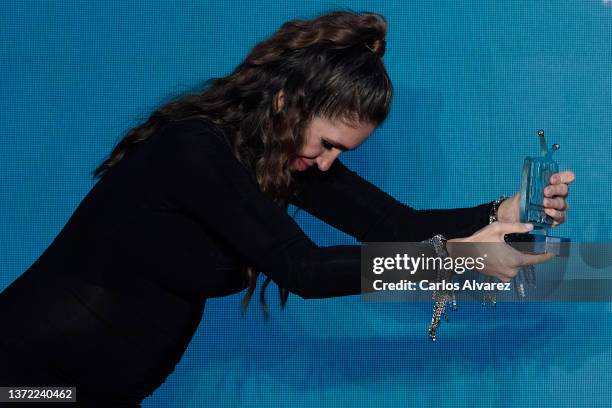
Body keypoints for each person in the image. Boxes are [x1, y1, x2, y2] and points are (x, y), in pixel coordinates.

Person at [0, 11, 574, 406]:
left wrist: (507, 208)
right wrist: (451, 262)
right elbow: (304, 270)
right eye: (327, 144)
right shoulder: (194, 151)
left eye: (339, 153)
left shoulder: (279, 159)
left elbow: (395, 227)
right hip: (26, 382)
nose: (327, 163)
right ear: (286, 101)